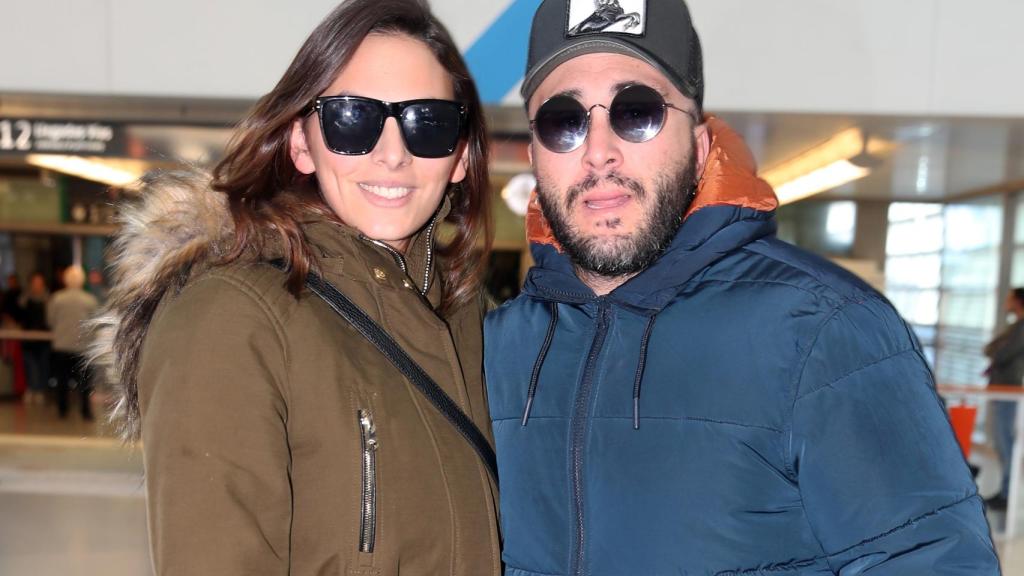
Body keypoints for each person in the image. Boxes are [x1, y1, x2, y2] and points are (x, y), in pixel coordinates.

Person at [483, 0, 999, 573]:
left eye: (637, 112)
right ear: (535, 155)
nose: (599, 150)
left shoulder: (821, 329)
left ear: (700, 147)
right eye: (563, 121)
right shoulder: (498, 347)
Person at [89, 0, 499, 573]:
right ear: (301, 143)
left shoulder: (473, 320)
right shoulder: (230, 317)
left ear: (460, 155)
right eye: (352, 118)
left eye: (427, 122)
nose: (392, 154)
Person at [983, 287, 1024, 511]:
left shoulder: (1021, 328)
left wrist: (996, 350)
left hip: (1009, 390)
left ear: (1018, 301)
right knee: (1002, 443)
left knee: (1006, 443)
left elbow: (1000, 354)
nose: (1006, 302)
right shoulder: (1015, 326)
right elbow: (990, 348)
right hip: (1002, 389)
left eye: (1009, 298)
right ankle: (1005, 491)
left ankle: (1008, 494)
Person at [48, 266, 99, 419]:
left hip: (62, 345)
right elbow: (94, 323)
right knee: (85, 382)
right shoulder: (90, 300)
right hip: (83, 346)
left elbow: (50, 320)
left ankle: (62, 409)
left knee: (62, 380)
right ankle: (85, 410)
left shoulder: (57, 298)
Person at [19, 272, 50, 404]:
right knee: (30, 366)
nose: (37, 285)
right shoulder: (24, 299)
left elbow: (50, 319)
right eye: (35, 282)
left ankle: (40, 390)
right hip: (28, 339)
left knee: (43, 365)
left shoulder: (49, 299)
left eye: (39, 282)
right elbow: (20, 316)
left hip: (44, 338)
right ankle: (31, 388)